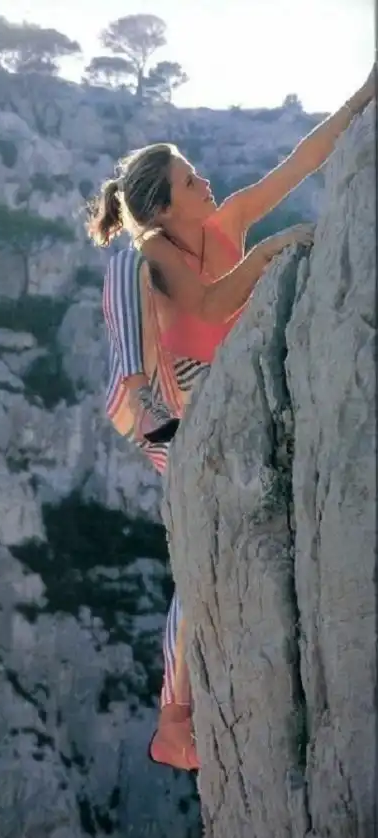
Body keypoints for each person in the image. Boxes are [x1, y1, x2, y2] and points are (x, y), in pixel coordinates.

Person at [87, 67, 375, 772]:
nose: (206, 182)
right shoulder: (153, 253)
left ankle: (181, 711)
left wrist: (366, 93)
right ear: (162, 209)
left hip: (235, 401)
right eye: (190, 181)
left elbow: (304, 159)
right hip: (171, 419)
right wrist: (273, 250)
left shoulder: (229, 220)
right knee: (202, 552)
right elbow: (213, 304)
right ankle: (173, 718)